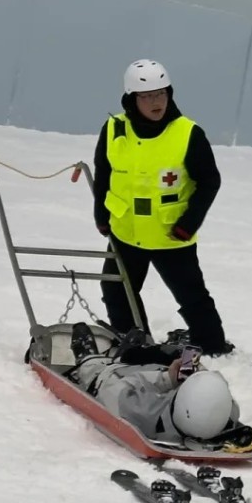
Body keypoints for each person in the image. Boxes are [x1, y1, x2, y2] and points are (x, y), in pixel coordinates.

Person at [92, 59, 232, 355]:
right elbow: (104, 173)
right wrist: (101, 215)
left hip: (170, 233)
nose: (156, 102)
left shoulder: (188, 133)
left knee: (191, 295)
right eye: (147, 96)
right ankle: (134, 342)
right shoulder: (114, 129)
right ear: (132, 99)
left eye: (161, 94)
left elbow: (210, 181)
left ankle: (213, 348)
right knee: (116, 289)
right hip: (126, 230)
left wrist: (187, 224)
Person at [68, 323, 252, 449]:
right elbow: (215, 386)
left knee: (98, 373)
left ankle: (89, 357)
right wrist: (194, 373)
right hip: (158, 370)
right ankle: (134, 352)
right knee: (153, 356)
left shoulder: (142, 412)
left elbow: (115, 387)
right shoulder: (226, 413)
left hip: (117, 374)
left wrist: (167, 380)